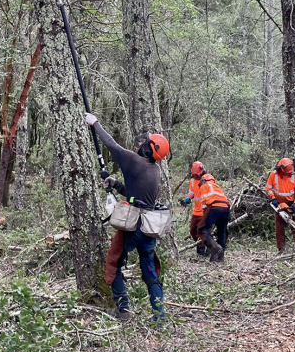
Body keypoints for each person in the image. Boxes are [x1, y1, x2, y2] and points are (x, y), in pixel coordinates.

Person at [85, 112, 170, 323]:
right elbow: (136, 193)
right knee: (150, 271)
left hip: (133, 226)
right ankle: (159, 316)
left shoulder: (134, 161)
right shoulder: (155, 169)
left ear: (149, 149)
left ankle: (124, 310)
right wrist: (114, 183)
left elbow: (112, 145)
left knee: (113, 262)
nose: (140, 143)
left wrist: (94, 123)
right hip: (149, 226)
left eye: (145, 142)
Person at [265, 157, 295, 253]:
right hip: (279, 203)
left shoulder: (294, 176)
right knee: (279, 226)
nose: (289, 172)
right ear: (282, 169)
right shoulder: (273, 175)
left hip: (292, 203)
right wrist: (273, 198)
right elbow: (268, 187)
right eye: (287, 171)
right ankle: (281, 249)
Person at [197, 172, 230, 262]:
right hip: (226, 208)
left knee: (203, 229)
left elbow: (204, 203)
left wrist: (204, 218)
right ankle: (220, 256)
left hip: (214, 207)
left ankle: (215, 247)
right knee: (221, 231)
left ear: (204, 180)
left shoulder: (204, 186)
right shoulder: (217, 186)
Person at [184, 161, 206, 256]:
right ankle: (202, 245)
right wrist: (189, 197)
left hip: (205, 211)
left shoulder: (206, 180)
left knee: (201, 231)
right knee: (193, 231)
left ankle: (201, 250)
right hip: (196, 211)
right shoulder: (192, 180)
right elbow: (191, 192)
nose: (195, 176)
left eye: (196, 174)